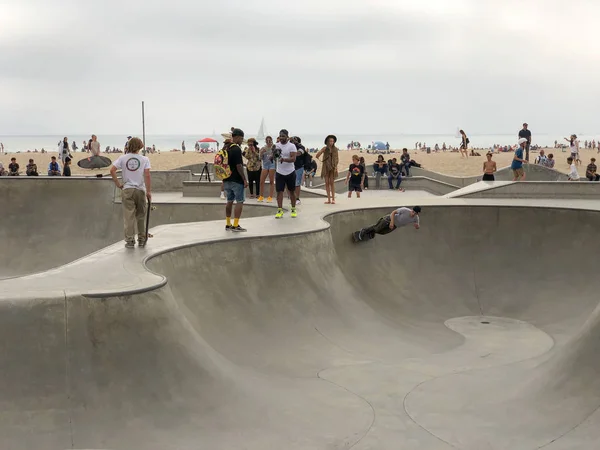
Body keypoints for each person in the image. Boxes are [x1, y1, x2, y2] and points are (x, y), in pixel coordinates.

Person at [110, 137, 152, 247]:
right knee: (141, 215)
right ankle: (142, 238)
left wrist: (118, 184)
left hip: (127, 189)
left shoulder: (123, 158)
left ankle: (130, 240)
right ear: (139, 147)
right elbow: (147, 175)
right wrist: (149, 191)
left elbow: (112, 170)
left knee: (129, 216)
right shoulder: (144, 159)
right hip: (140, 189)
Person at [221, 129, 248, 231]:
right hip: (236, 179)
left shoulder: (226, 147)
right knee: (240, 201)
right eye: (241, 138)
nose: (241, 141)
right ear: (237, 137)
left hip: (227, 178)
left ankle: (228, 223)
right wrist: (244, 179)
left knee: (229, 201)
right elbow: (239, 166)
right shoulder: (236, 149)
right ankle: (236, 225)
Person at [356, 206, 421, 241]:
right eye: (413, 212)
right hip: (388, 219)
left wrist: (417, 226)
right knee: (377, 228)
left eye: (415, 213)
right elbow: (393, 212)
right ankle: (363, 231)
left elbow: (417, 225)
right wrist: (392, 222)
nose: (413, 214)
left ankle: (371, 232)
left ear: (417, 213)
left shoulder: (416, 218)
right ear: (412, 210)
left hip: (395, 226)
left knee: (383, 232)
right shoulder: (405, 210)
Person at [274, 129, 298, 219]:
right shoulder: (276, 145)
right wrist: (271, 157)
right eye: (280, 136)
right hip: (279, 172)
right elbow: (274, 156)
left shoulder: (291, 146)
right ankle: (280, 210)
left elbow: (293, 159)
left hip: (290, 172)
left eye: (283, 136)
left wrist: (284, 159)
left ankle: (293, 209)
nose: (281, 138)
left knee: (291, 191)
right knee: (279, 192)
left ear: (287, 137)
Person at [315, 134, 339, 204]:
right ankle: (329, 199)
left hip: (333, 167)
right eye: (330, 141)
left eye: (332, 141)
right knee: (327, 183)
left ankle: (333, 199)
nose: (331, 142)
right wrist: (321, 151)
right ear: (327, 142)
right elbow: (317, 156)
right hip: (325, 167)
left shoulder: (335, 149)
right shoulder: (324, 148)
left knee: (332, 183)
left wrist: (335, 167)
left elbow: (337, 159)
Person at [258, 136, 275, 202]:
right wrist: (261, 153)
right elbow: (260, 158)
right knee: (261, 181)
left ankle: (270, 197)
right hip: (265, 165)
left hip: (272, 165)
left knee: (271, 181)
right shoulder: (263, 148)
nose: (268, 141)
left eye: (269, 140)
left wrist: (273, 154)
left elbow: (276, 156)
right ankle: (261, 196)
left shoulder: (274, 148)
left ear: (271, 141)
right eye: (267, 140)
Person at [291, 136, 306, 205]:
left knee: (297, 184)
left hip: (298, 167)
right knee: (290, 184)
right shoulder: (289, 146)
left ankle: (297, 198)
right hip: (290, 167)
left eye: (295, 140)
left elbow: (300, 152)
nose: (293, 141)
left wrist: (293, 154)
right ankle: (291, 197)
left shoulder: (301, 147)